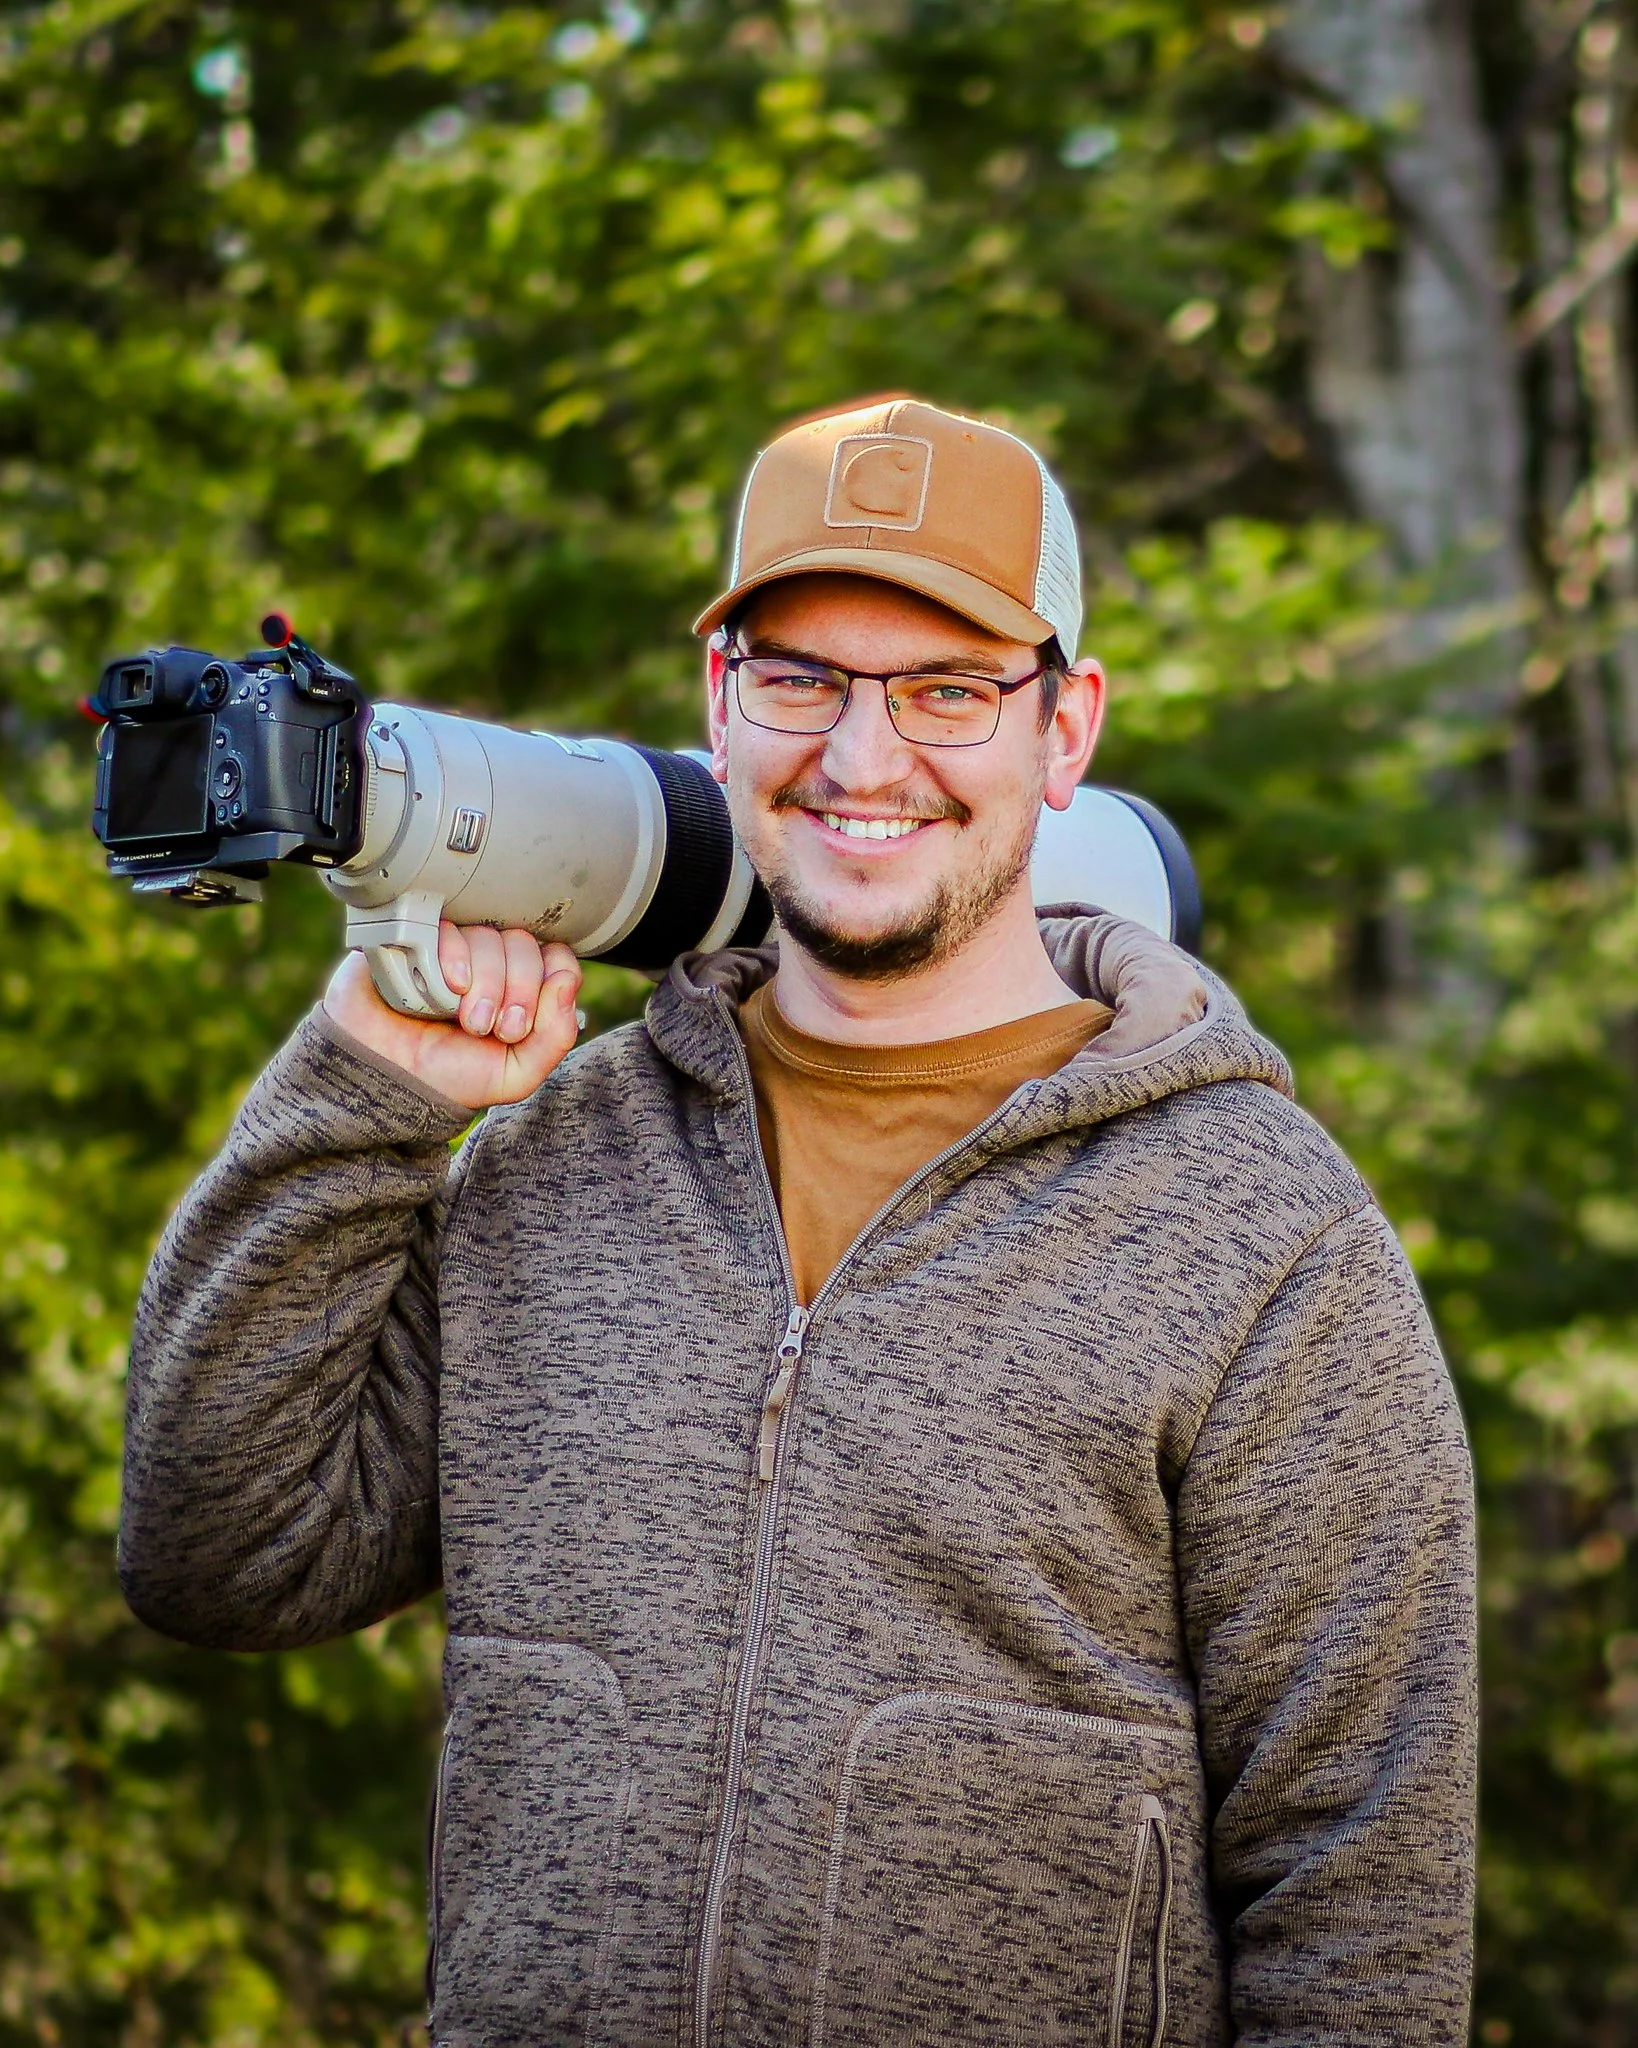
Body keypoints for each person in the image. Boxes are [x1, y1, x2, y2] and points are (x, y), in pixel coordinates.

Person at [119, 396, 1477, 2047]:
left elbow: (1363, 1900)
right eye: (799, 678)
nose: (857, 755)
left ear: (1066, 728)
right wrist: (361, 1092)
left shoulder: (1256, 1231)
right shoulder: (556, 1157)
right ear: (720, 702)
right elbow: (226, 1560)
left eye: (947, 690)